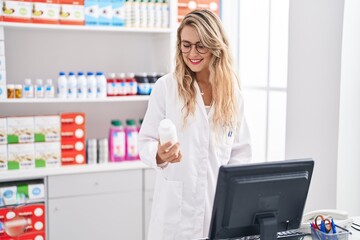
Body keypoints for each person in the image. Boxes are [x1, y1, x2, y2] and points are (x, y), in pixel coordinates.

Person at [138, 9, 252, 240]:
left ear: (216, 46)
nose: (192, 53)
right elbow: (145, 142)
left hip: (217, 213)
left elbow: (241, 155)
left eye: (201, 45)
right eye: (186, 45)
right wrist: (160, 155)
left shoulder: (232, 95)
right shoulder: (166, 87)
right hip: (175, 219)